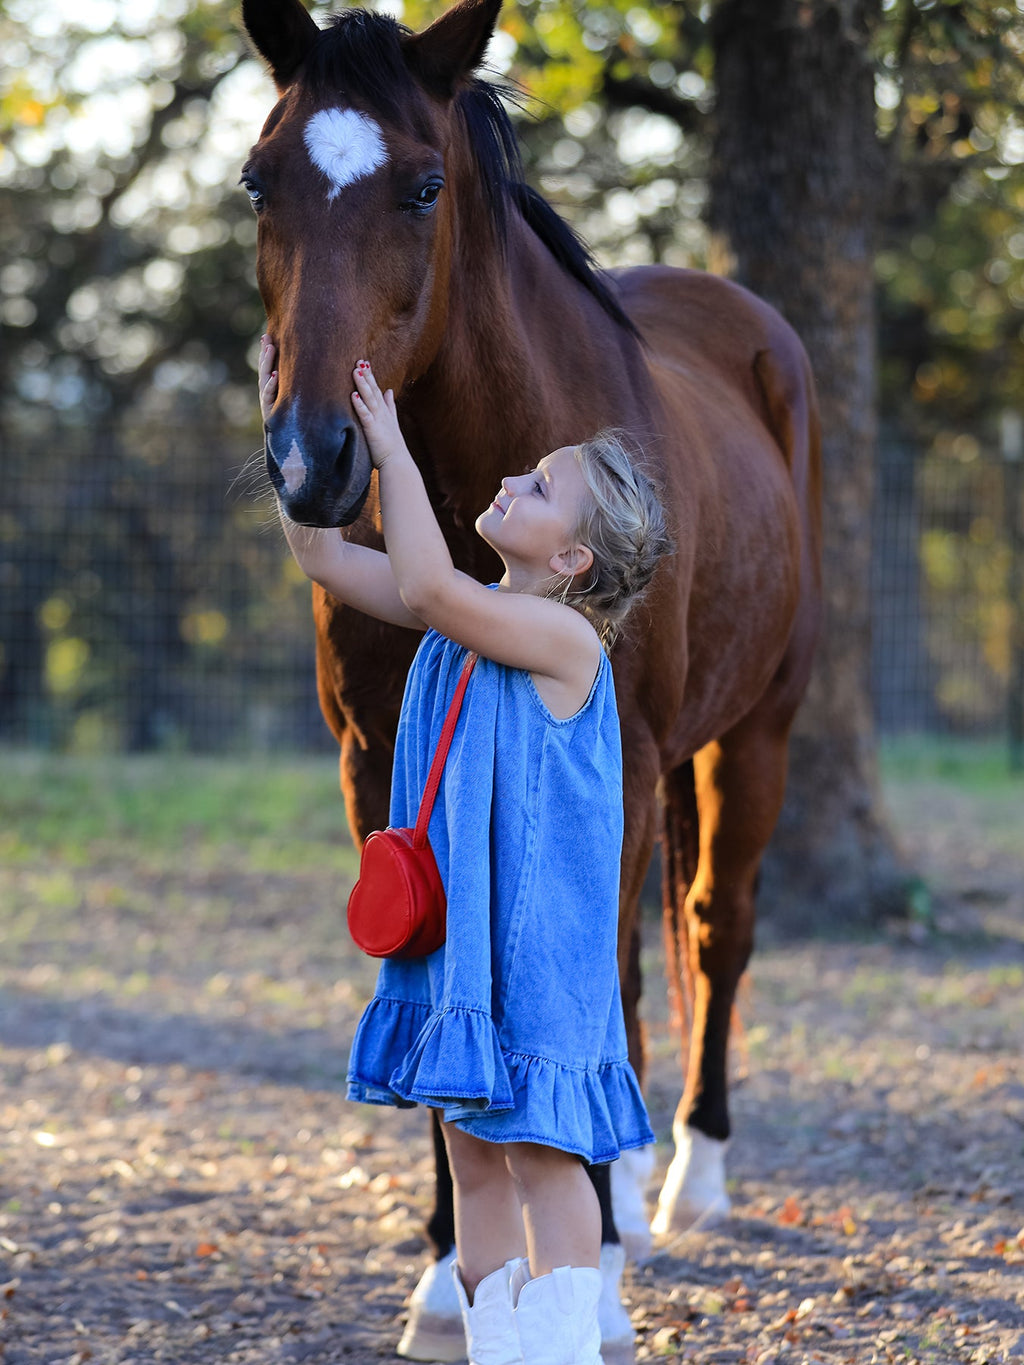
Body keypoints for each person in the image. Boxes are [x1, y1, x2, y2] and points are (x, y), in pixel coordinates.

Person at [259, 338, 670, 1365]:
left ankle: (564, 1351)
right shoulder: (459, 617)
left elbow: (438, 591)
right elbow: (318, 554)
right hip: (462, 943)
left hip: (535, 949)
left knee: (539, 1157)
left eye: (537, 488)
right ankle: (497, 1349)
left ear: (572, 560)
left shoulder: (566, 641)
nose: (506, 481)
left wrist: (393, 449)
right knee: (472, 1159)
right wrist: (282, 428)